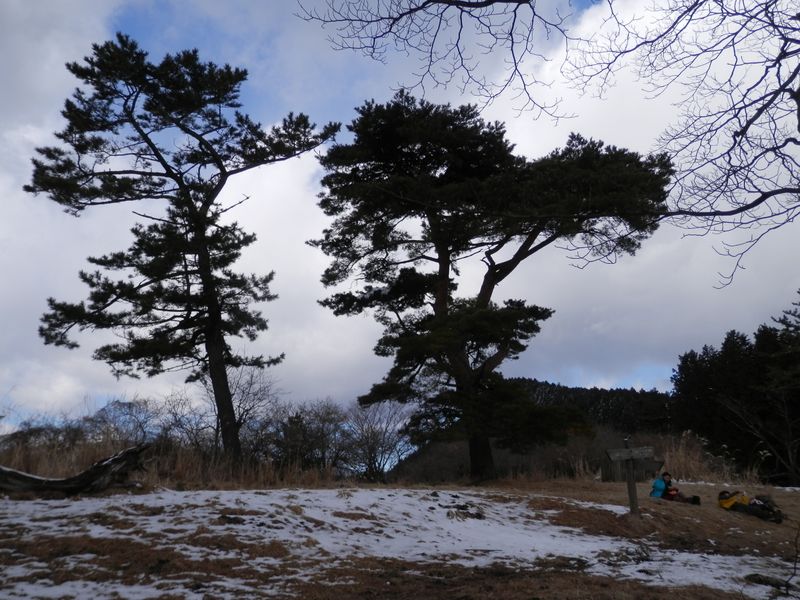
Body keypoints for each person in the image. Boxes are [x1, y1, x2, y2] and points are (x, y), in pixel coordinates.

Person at [718, 490, 783, 524]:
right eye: (726, 494)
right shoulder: (722, 500)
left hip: (741, 507)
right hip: (737, 507)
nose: (728, 494)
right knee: (755, 510)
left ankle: (773, 515)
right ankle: (770, 516)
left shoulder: (732, 500)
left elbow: (744, 503)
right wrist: (736, 492)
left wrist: (744, 496)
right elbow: (727, 497)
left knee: (757, 508)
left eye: (728, 493)